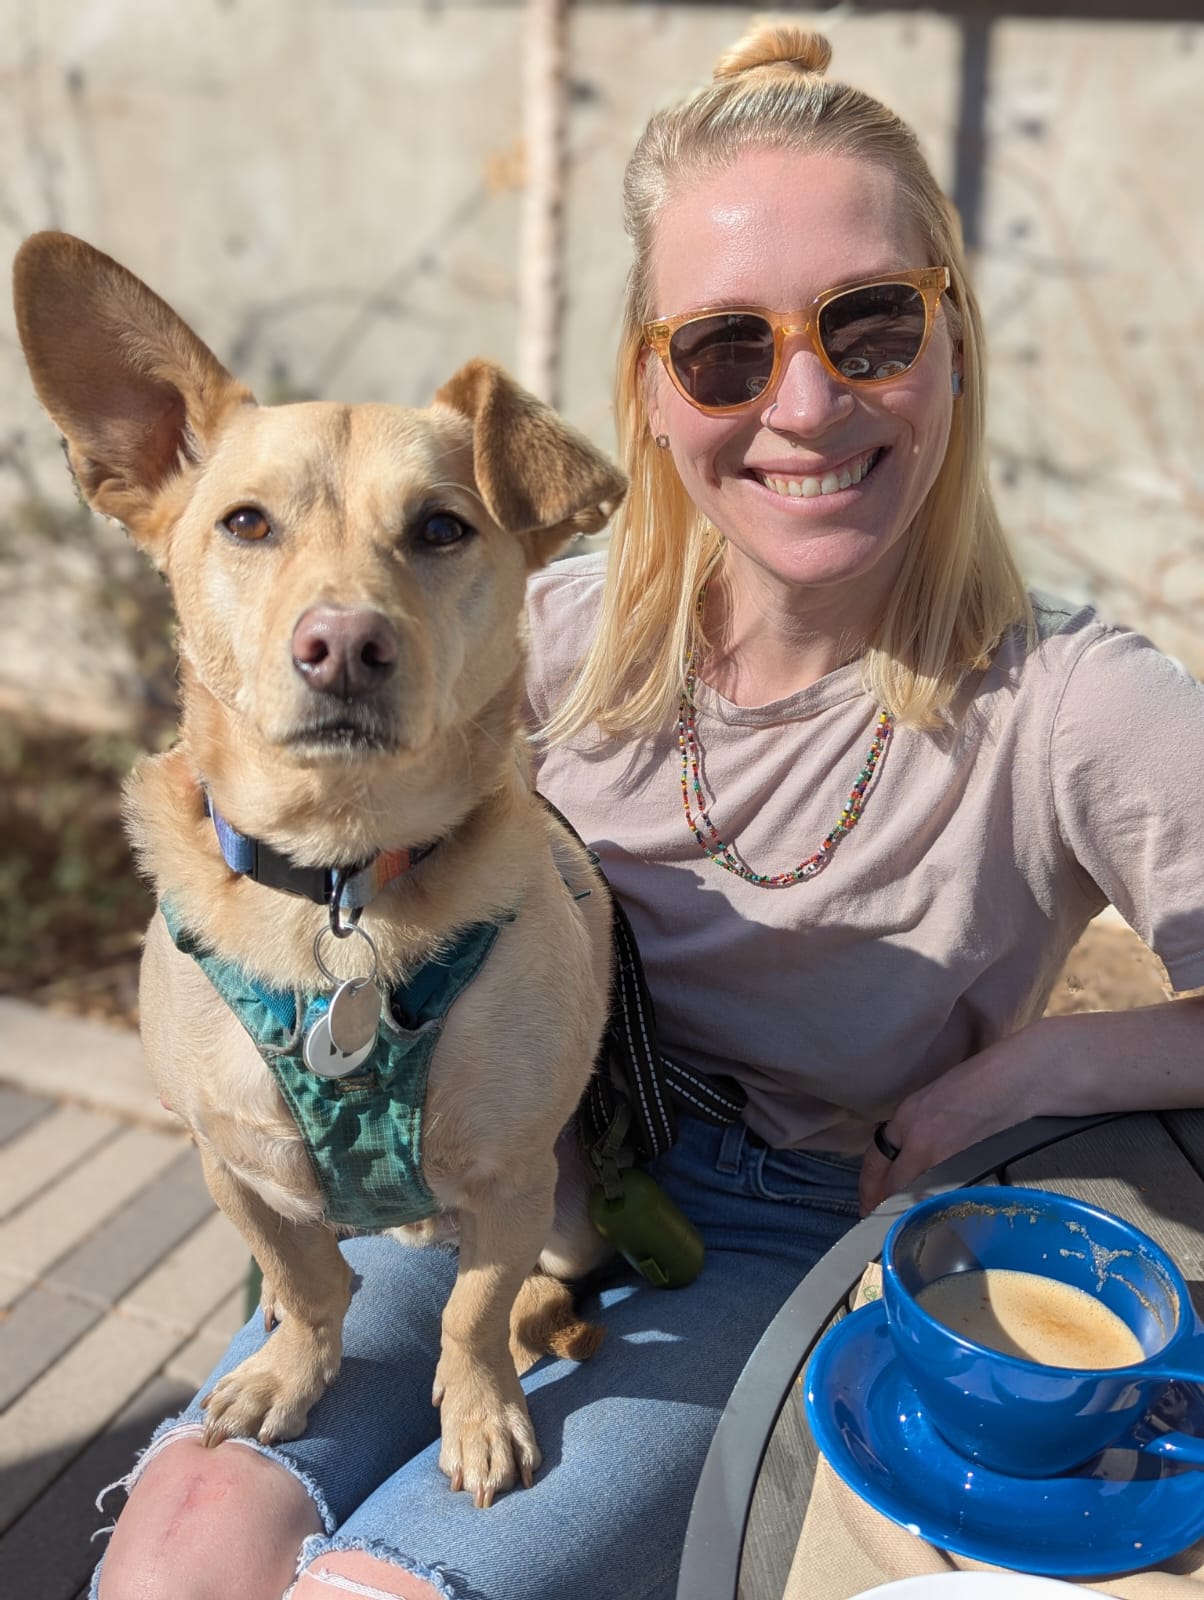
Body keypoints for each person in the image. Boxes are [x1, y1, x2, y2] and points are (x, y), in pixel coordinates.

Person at [94, 18, 1204, 1600]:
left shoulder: (1076, 706)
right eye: (728, 349)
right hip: (484, 1171)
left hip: (782, 1232)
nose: (806, 404)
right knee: (180, 1546)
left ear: (956, 336)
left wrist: (1029, 1071)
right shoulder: (522, 627)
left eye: (873, 325)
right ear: (654, 388)